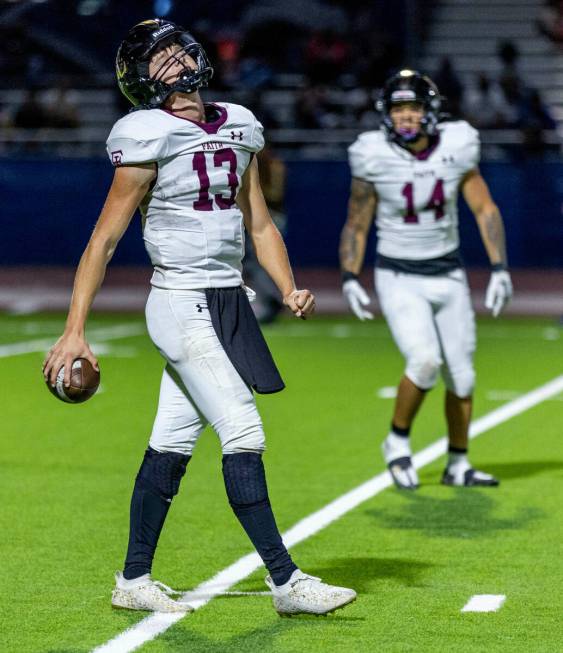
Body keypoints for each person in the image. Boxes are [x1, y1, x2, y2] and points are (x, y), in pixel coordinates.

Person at [43, 19, 355, 616]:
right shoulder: (145, 135)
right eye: (157, 58)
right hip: (180, 300)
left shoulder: (238, 124)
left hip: (227, 296)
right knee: (243, 430)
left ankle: (134, 579)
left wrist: (287, 287)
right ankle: (287, 583)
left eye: (175, 49)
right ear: (140, 80)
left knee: (172, 442)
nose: (174, 60)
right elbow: (103, 241)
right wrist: (75, 327)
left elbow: (259, 221)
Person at [339, 70, 513, 490]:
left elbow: (485, 208)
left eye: (412, 108)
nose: (405, 117)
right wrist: (349, 276)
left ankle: (458, 464)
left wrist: (499, 267)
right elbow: (357, 223)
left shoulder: (458, 145)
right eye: (398, 109)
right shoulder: (373, 153)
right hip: (399, 275)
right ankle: (397, 443)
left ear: (431, 111)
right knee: (425, 361)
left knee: (463, 377)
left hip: (449, 273)